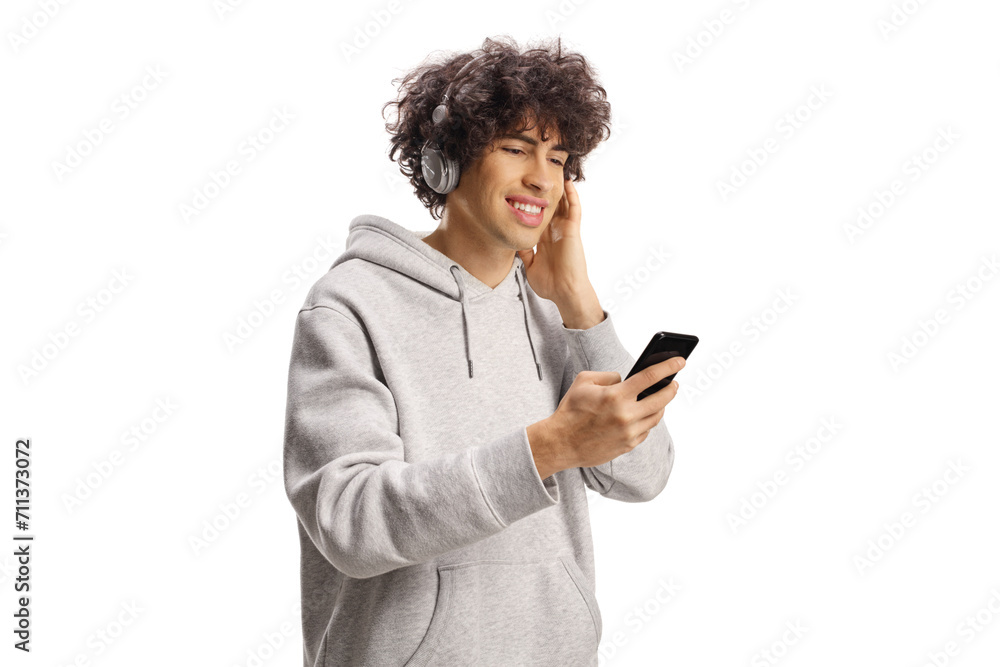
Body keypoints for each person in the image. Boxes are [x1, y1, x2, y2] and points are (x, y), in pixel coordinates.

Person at [281, 35, 683, 666]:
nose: (540, 178)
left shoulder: (556, 311)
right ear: (445, 160)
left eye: (557, 156)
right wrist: (550, 446)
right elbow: (350, 522)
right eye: (517, 149)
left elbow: (644, 473)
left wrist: (578, 299)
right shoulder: (350, 305)